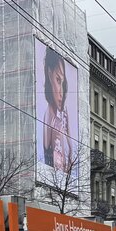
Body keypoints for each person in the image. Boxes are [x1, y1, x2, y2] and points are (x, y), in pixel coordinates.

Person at [42, 46, 72, 174]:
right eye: (57, 80)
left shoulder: (64, 115)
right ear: (49, 74)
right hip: (55, 185)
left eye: (62, 82)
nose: (61, 91)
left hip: (65, 187)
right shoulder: (48, 117)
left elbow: (71, 152)